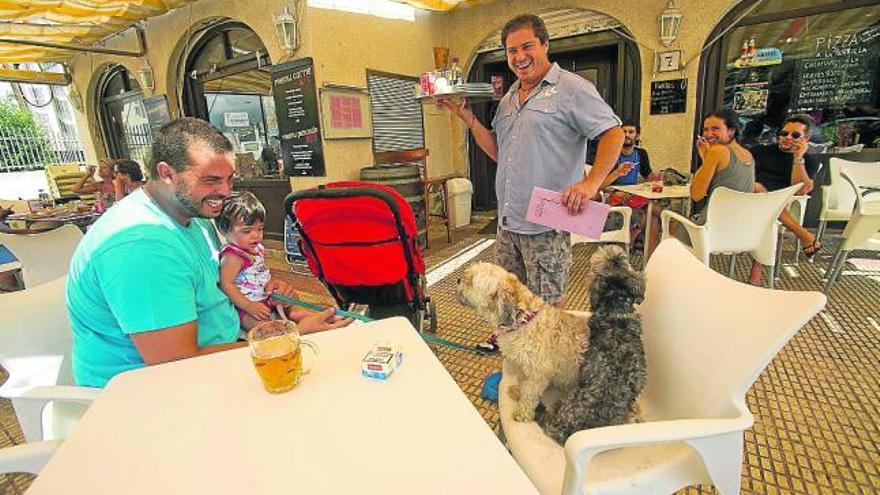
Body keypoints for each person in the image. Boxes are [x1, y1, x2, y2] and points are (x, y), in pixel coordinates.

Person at [66, 118, 351, 388]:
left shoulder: (193, 215)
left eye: (230, 179)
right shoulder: (142, 247)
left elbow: (220, 283)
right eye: (211, 180)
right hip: (147, 393)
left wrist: (271, 295)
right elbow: (176, 365)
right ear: (166, 173)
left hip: (225, 349)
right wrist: (290, 336)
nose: (226, 191)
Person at [440, 14, 624, 353]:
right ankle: (513, 347)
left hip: (546, 222)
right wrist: (467, 118)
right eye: (512, 50)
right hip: (508, 220)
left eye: (527, 46)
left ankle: (550, 358)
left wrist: (591, 183)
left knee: (547, 300)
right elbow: (499, 150)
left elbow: (613, 132)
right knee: (506, 295)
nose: (519, 56)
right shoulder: (509, 97)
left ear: (544, 44)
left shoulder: (572, 88)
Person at [216, 191, 315, 331]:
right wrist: (248, 306)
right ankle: (295, 331)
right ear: (223, 230)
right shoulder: (233, 256)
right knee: (265, 330)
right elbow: (226, 284)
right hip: (246, 306)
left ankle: (311, 318)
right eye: (247, 231)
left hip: (265, 296)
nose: (256, 235)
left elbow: (259, 273)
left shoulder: (255, 248)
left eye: (260, 229)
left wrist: (270, 284)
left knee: (293, 305)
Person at [747, 114, 822, 285]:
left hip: (782, 204)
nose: (787, 137)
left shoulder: (809, 161)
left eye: (795, 135)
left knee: (767, 215)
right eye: (784, 133)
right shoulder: (759, 151)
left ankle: (756, 272)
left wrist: (798, 158)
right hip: (749, 201)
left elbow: (801, 189)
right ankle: (802, 234)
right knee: (758, 189)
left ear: (806, 138)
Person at [667, 108, 755, 248]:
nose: (708, 134)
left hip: (711, 228)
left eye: (715, 129)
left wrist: (705, 157)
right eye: (705, 130)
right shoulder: (748, 155)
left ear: (731, 130)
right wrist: (706, 157)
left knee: (669, 221)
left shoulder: (717, 151)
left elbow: (696, 195)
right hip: (739, 228)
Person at [599, 120, 656, 245]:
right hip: (614, 194)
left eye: (631, 132)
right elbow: (600, 184)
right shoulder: (611, 154)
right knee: (636, 214)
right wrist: (617, 175)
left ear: (637, 135)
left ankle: (635, 243)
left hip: (634, 195)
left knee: (654, 209)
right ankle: (624, 245)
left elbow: (649, 176)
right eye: (624, 131)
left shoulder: (641, 154)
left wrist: (657, 178)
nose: (627, 135)